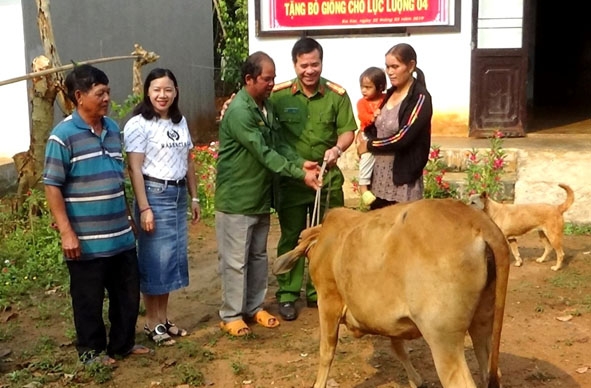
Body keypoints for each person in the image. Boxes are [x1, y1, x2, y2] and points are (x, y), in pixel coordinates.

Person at [43, 64, 150, 365]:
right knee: (88, 299)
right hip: (86, 241)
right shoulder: (62, 136)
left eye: (108, 93)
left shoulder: (113, 130)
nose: (106, 99)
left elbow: (119, 178)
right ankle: (90, 352)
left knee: (127, 295)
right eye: (99, 93)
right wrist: (67, 232)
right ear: (79, 96)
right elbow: (52, 186)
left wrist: (130, 217)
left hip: (120, 234)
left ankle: (123, 344)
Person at [215, 51, 321, 336]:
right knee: (235, 261)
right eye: (267, 79)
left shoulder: (266, 107)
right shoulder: (239, 112)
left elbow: (278, 145)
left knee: (257, 257)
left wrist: (301, 162)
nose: (272, 83)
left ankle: (253, 307)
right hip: (237, 199)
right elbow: (264, 154)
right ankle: (231, 314)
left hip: (260, 198)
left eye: (273, 78)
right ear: (249, 79)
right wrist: (301, 175)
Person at [271, 37, 357, 321]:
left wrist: (338, 148)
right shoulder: (279, 96)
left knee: (328, 238)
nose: (310, 70)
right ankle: (287, 294)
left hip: (328, 181)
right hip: (293, 181)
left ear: (322, 62)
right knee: (293, 237)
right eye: (304, 65)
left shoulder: (336, 95)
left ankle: (319, 291)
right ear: (295, 64)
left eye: (315, 64)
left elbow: (347, 130)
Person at [124, 68, 200, 346]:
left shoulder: (180, 121)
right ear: (147, 91)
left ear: (176, 91)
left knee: (170, 260)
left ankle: (164, 318)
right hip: (154, 194)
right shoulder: (138, 124)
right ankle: (151, 323)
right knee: (154, 259)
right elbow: (134, 168)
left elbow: (189, 159)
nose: (162, 95)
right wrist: (144, 208)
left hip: (178, 194)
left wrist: (195, 197)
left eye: (168, 89)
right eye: (156, 89)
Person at [357, 43, 432, 210]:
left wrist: (369, 145)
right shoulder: (390, 93)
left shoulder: (420, 98)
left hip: (402, 182)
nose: (389, 72)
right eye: (387, 66)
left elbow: (403, 137)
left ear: (411, 66)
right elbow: (376, 126)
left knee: (403, 233)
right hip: (379, 181)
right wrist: (362, 135)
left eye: (395, 66)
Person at [356, 66, 387, 206]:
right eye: (362, 87)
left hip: (382, 135)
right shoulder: (362, 103)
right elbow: (363, 117)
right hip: (368, 133)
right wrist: (372, 117)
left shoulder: (386, 99)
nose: (364, 90)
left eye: (368, 87)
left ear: (380, 87)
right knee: (367, 156)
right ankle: (363, 187)